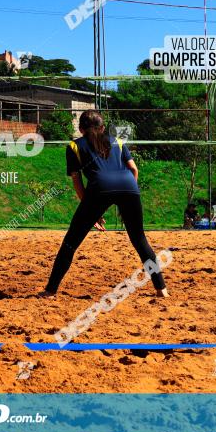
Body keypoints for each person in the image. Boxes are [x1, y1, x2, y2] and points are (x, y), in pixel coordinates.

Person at [42, 110, 169, 298]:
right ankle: (161, 289)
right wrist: (126, 199)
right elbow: (133, 169)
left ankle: (50, 290)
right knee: (140, 240)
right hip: (129, 185)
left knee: (70, 242)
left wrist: (91, 209)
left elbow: (77, 182)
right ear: (102, 128)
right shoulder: (117, 141)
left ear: (80, 128)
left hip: (99, 187)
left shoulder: (74, 146)